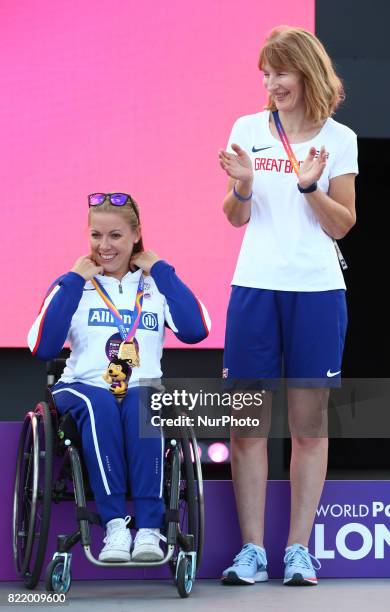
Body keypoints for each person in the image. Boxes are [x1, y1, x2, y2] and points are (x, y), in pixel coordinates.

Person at [218, 26, 358, 586]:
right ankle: (251, 550)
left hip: (318, 292)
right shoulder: (247, 130)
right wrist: (245, 186)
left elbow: (343, 224)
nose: (272, 83)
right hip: (254, 286)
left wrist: (309, 187)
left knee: (308, 428)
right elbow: (234, 216)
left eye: (282, 71)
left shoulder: (339, 138)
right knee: (247, 427)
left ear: (307, 72)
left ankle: (298, 549)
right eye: (266, 73)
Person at [28, 192, 210, 563]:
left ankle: (148, 529)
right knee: (99, 405)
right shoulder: (73, 286)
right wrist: (72, 280)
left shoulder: (155, 286)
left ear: (135, 234)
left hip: (141, 389)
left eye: (115, 236)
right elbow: (42, 347)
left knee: (143, 402)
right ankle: (114, 527)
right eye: (96, 235)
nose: (104, 246)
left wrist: (161, 270)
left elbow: (196, 329)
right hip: (82, 387)